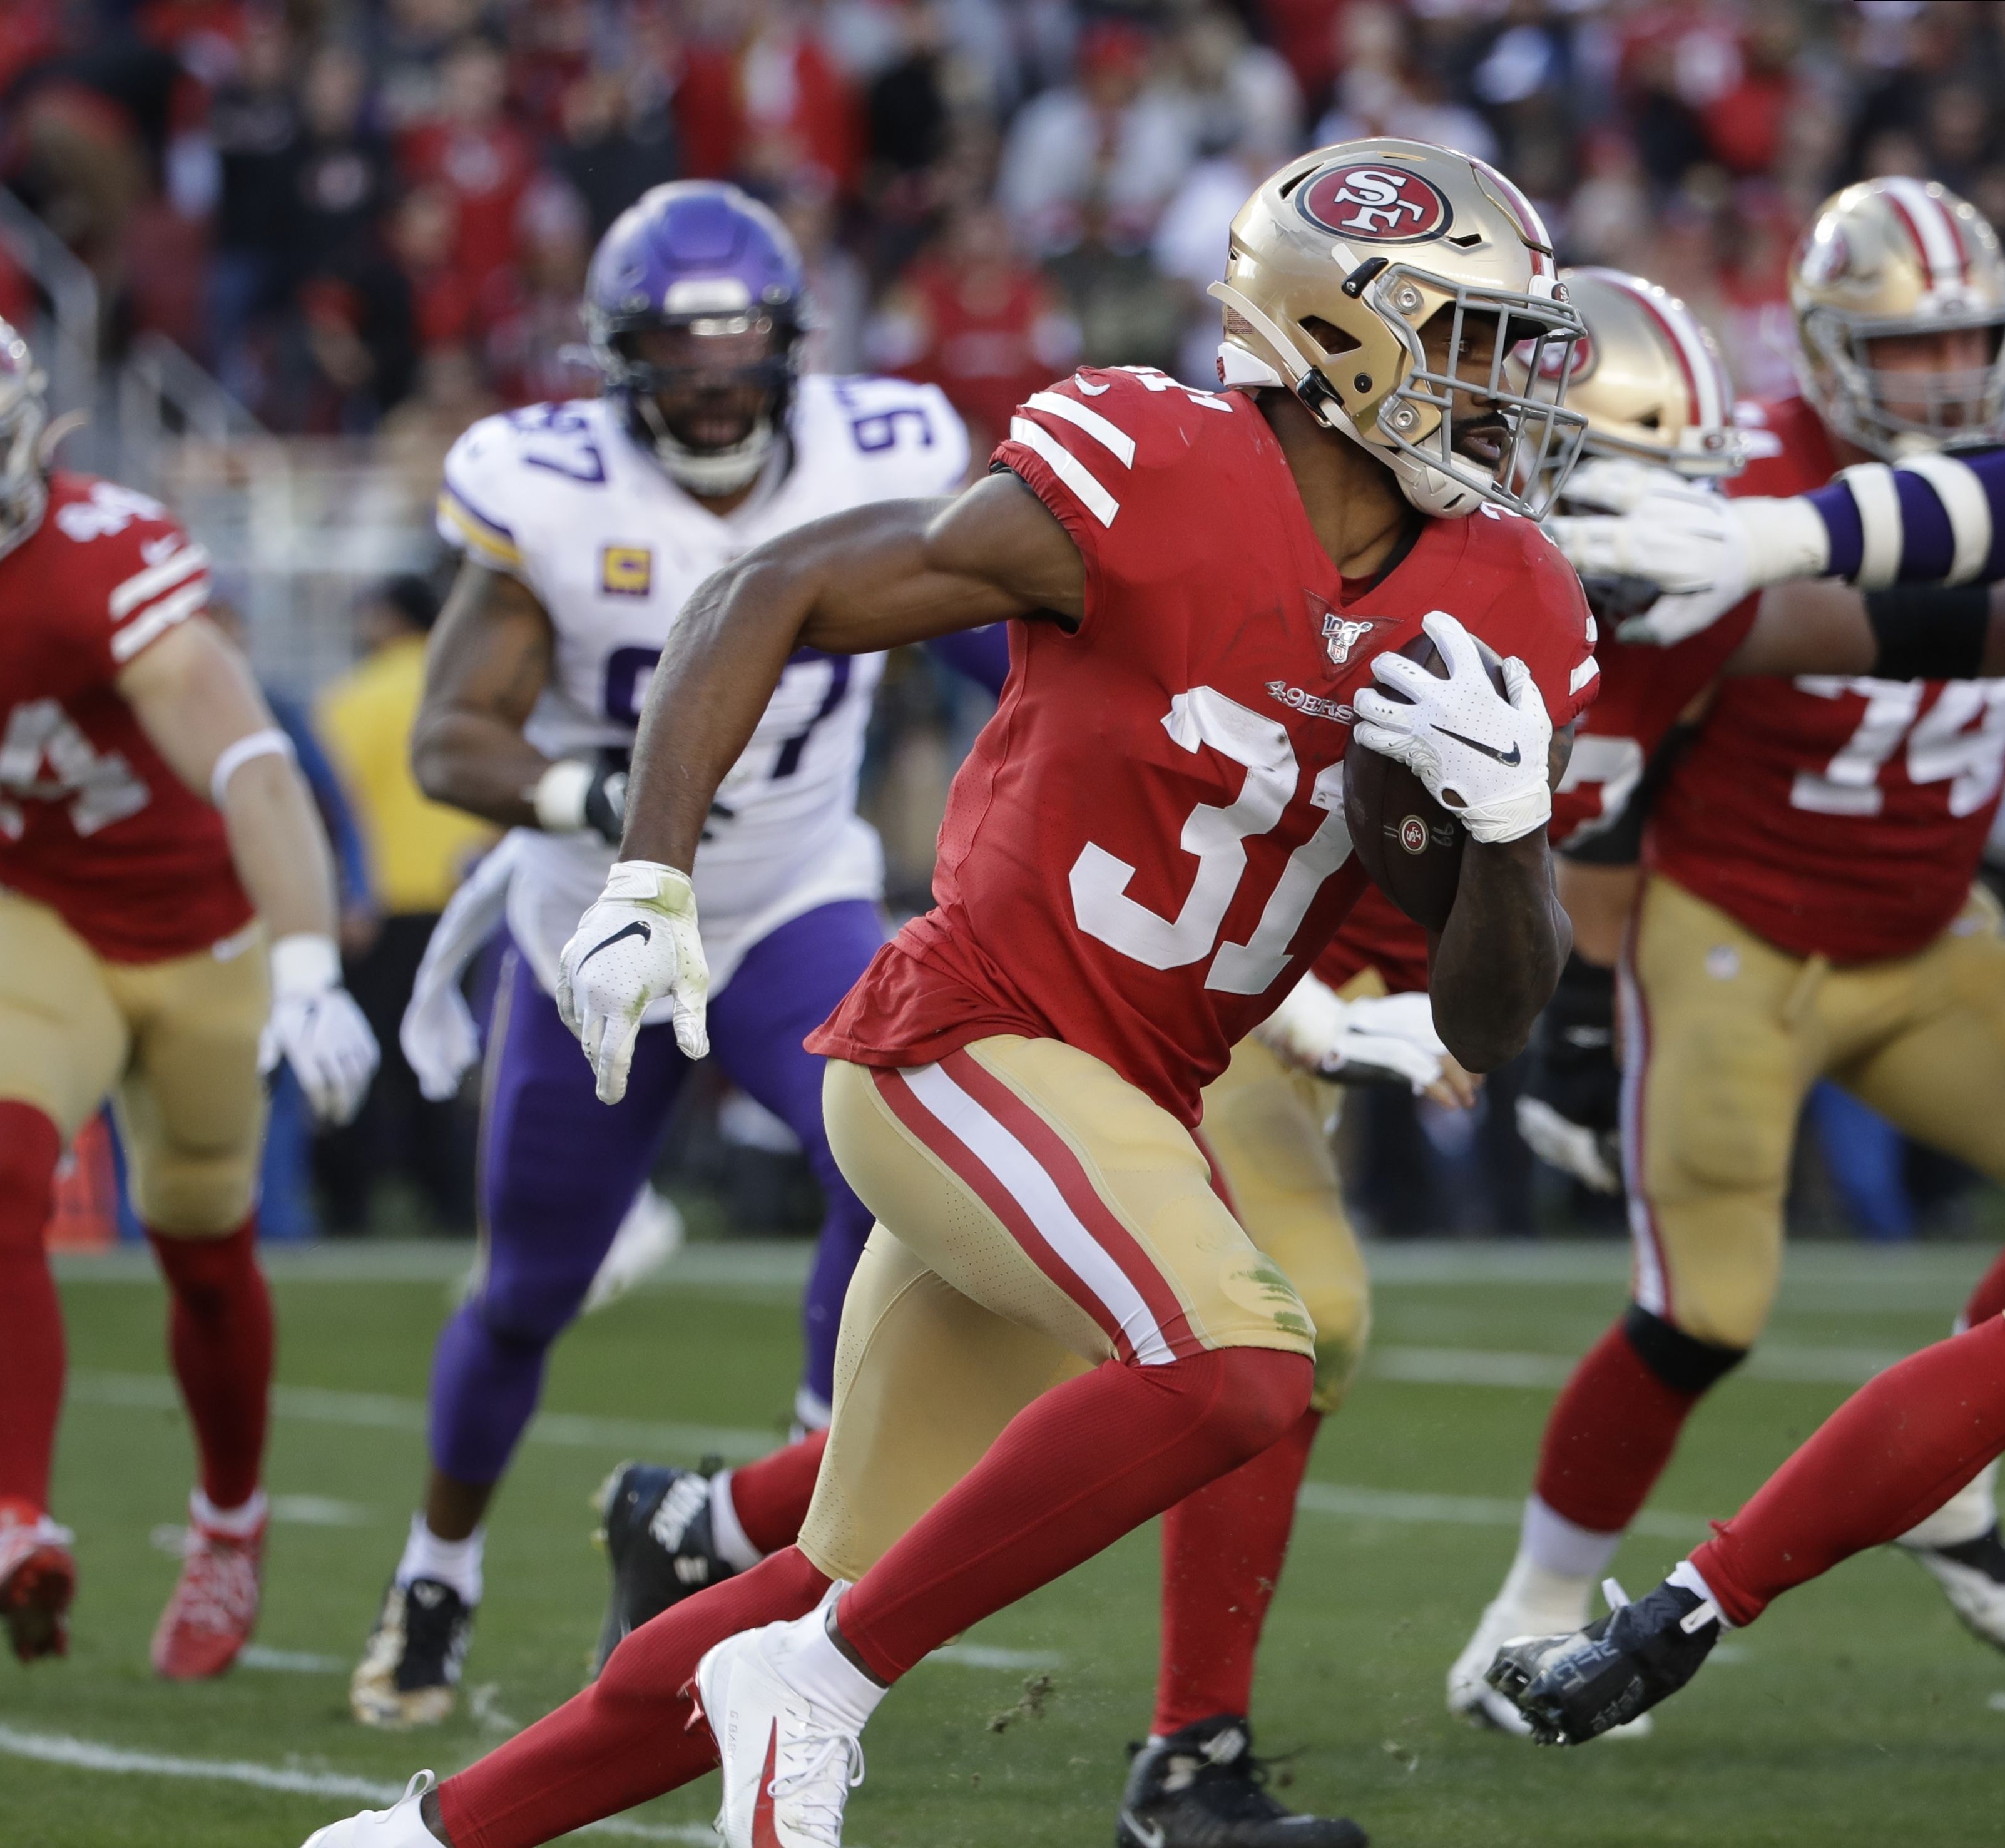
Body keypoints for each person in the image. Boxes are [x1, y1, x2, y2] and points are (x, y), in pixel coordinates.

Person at [302, 136, 1598, 1848]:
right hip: (965, 1038)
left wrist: (1503, 840)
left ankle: (419, 1835)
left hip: (1118, 1099)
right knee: (1242, 1366)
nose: (1504, 386)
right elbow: (769, 587)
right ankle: (825, 1682)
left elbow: (1487, 1020)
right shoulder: (1150, 468)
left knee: (829, 1564)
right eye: (1469, 338)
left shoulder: (1509, 595)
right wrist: (645, 870)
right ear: (1341, 340)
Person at [1444, 190, 2005, 1734]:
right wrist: (1579, 1019)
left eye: (1970, 343)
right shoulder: (1743, 463)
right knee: (1701, 1305)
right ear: (1833, 353)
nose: (1947, 382)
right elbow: (1611, 767)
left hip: (1933, 928)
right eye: (1909, 353)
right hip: (1735, 932)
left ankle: (1944, 1466)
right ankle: (1535, 1595)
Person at [346, 180, 970, 1732]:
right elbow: (449, 734)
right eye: (678, 351)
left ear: (788, 346)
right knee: (527, 1285)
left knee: (889, 1152)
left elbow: (995, 623)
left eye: (736, 346)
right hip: (596, 923)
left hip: (789, 896)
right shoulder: (541, 484)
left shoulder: (880, 447)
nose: (709, 380)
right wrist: (600, 798)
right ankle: (438, 1561)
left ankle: (804, 1492)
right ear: (622, 358)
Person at [0, 293, 380, 1675]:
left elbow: (252, 765)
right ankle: (15, 1519)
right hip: (25, 900)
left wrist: (304, 962)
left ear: (27, 442)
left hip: (203, 928)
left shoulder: (105, 562)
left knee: (204, 1250)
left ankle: (230, 1518)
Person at [587, 887, 1459, 1848]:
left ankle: (701, 1530)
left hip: (1288, 1010)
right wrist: (1318, 1013)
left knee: (1065, 1388)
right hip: (1156, 1008)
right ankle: (1188, 1750)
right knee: (1266, 1329)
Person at [310, 576, 492, 1237]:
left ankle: (350, 1205)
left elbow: (324, 799)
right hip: (459, 901)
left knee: (364, 1056)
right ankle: (448, 1202)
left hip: (375, 903)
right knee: (444, 1054)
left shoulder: (352, 699)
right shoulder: (469, 693)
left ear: (387, 619)